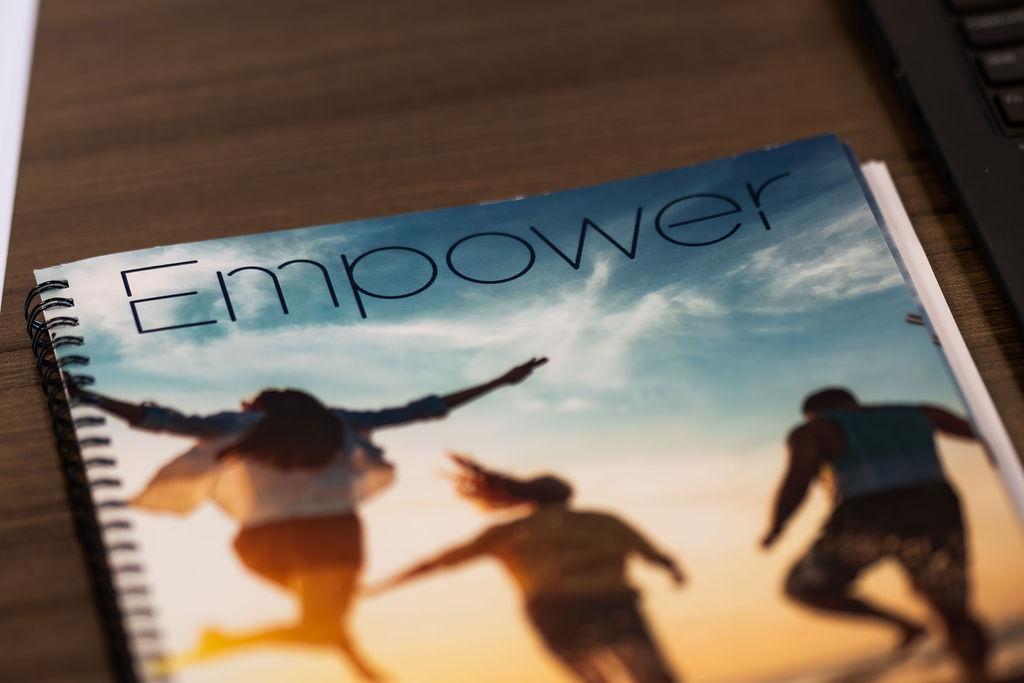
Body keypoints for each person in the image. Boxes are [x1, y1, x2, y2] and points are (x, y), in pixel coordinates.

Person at [73, 357, 547, 680]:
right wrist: (501, 381)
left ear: (259, 407)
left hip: (259, 544)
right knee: (322, 621)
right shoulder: (338, 424)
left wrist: (91, 399)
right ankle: (223, 645)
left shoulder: (241, 426)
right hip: (331, 536)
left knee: (325, 617)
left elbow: (159, 419)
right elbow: (427, 409)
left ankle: (355, 663)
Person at [368, 454, 684, 683]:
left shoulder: (508, 533)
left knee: (590, 676)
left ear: (527, 497)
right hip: (613, 602)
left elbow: (437, 563)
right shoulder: (603, 520)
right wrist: (672, 571)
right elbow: (654, 554)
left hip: (554, 611)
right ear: (569, 495)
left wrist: (383, 585)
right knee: (654, 675)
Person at [760, 387, 989, 683]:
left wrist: (777, 525)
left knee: (805, 587)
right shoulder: (921, 412)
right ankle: (979, 673)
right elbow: (988, 434)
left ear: (814, 413)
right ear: (854, 403)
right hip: (935, 508)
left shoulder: (815, 429)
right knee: (950, 607)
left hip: (867, 515)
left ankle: (903, 625)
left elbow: (797, 480)